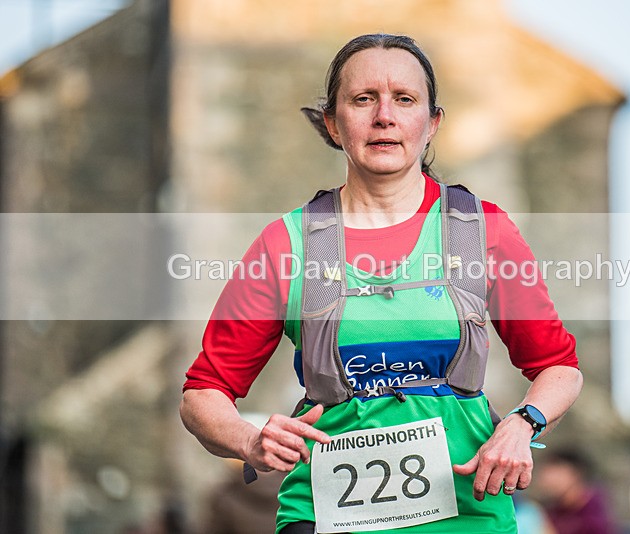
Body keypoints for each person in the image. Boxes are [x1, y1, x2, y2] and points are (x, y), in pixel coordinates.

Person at [180, 33, 583, 533]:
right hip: (325, 515)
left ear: (432, 123)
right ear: (332, 123)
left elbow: (559, 368)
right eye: (363, 99)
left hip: (466, 509)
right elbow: (203, 392)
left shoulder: (484, 231)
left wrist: (524, 425)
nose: (384, 116)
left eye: (405, 100)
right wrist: (248, 439)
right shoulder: (285, 244)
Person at [535, 450, 616, 534]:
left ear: (574, 474)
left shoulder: (596, 514)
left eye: (554, 474)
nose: (547, 481)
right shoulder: (550, 512)